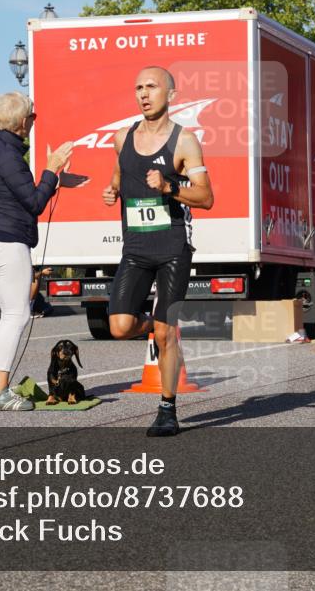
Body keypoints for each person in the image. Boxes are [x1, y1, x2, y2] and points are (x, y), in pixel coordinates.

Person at [102, 66, 214, 437]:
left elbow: (206, 197)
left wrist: (168, 186)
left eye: (152, 86)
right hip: (135, 248)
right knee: (119, 327)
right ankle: (155, 325)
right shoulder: (122, 138)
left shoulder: (184, 141)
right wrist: (112, 191)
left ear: (172, 93)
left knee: (167, 337)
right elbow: (119, 176)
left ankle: (167, 409)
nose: (143, 94)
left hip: (172, 248)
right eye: (138, 87)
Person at [0, 92, 74, 411]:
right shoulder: (8, 155)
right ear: (23, 122)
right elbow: (33, 202)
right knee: (16, 316)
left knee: (9, 316)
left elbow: (25, 195)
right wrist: (51, 168)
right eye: (33, 116)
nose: (34, 120)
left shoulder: (0, 151)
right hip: (8, 243)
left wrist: (53, 181)